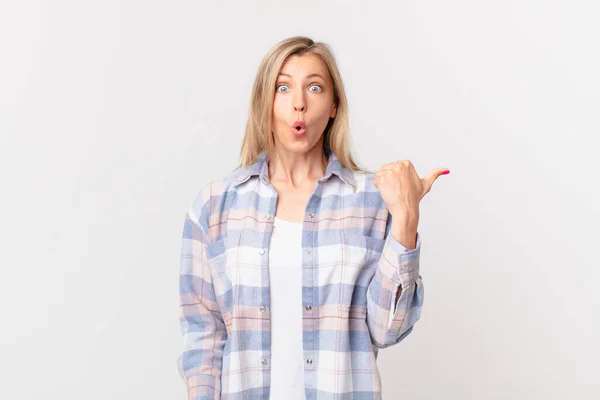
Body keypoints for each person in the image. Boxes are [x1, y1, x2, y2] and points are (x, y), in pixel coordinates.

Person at [177, 36, 449, 400]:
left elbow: (388, 330)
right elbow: (203, 337)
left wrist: (406, 218)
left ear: (334, 105)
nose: (299, 104)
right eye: (283, 87)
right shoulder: (215, 206)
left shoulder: (373, 201)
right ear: (264, 102)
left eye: (315, 88)